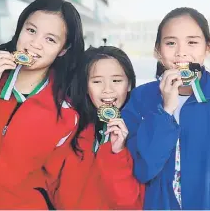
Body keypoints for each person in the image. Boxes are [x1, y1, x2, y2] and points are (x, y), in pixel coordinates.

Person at [122, 7, 210, 210]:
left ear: (208, 47)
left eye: (192, 42)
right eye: (171, 43)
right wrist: (165, 111)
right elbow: (143, 169)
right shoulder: (140, 99)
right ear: (157, 51)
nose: (181, 52)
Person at [0, 0, 85, 210]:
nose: (35, 44)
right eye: (31, 30)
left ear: (63, 50)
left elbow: (55, 183)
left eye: (50, 39)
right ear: (20, 29)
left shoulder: (66, 114)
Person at [52, 46, 144, 209]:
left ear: (129, 84)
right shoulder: (70, 126)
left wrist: (118, 152)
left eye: (116, 81)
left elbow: (128, 204)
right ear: (85, 87)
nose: (107, 90)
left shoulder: (139, 131)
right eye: (96, 81)